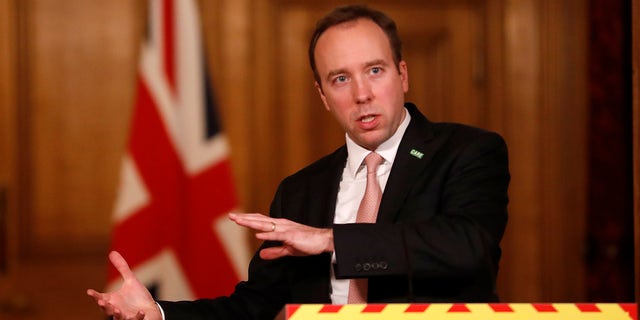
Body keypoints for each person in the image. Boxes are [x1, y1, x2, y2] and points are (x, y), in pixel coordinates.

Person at [87, 4, 509, 320]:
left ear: (403, 74)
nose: (361, 93)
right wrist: (158, 313)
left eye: (375, 71)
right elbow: (254, 306)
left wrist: (331, 241)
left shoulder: (467, 152)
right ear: (323, 96)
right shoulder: (300, 190)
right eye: (340, 78)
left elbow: (467, 248)